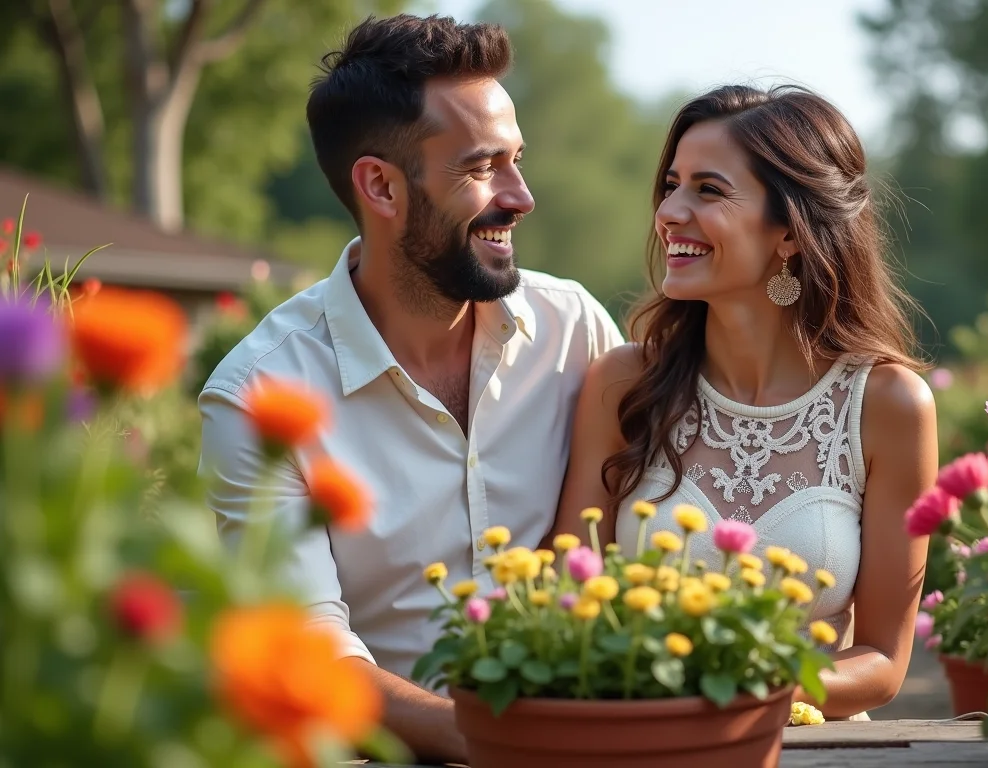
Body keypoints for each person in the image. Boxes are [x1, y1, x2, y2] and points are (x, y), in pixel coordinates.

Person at [197, 14, 623, 763]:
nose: (521, 195)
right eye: (481, 167)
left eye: (516, 160)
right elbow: (310, 649)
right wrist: (513, 745)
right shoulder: (259, 398)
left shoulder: (575, 330)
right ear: (381, 187)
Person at [553, 84, 936, 720]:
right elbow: (567, 591)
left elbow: (880, 659)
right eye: (671, 185)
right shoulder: (625, 384)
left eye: (708, 190)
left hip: (820, 750)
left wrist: (739, 687)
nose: (670, 211)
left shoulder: (889, 405)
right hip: (645, 741)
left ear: (789, 232)